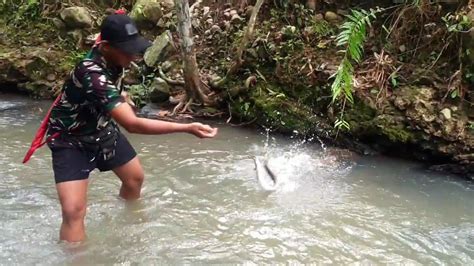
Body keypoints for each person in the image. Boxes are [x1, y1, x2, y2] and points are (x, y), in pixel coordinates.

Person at [46, 14, 218, 242]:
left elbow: (107, 86)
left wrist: (120, 95)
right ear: (106, 47)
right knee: (73, 211)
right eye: (127, 50)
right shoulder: (91, 72)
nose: (133, 55)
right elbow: (132, 124)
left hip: (101, 128)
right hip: (70, 139)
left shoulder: (113, 57)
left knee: (134, 179)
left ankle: (127, 226)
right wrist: (185, 128)